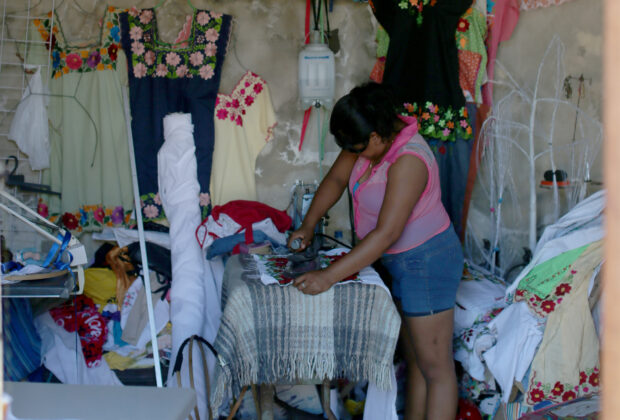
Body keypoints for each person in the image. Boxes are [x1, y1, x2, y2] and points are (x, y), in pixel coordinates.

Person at [288, 82, 464, 420]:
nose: (354, 153)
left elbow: (387, 233)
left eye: (357, 147)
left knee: (436, 368)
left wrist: (327, 277)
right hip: (400, 262)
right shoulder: (369, 136)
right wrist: (309, 224)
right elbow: (337, 181)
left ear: (375, 136)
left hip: (427, 262)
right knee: (416, 363)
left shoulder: (409, 159)